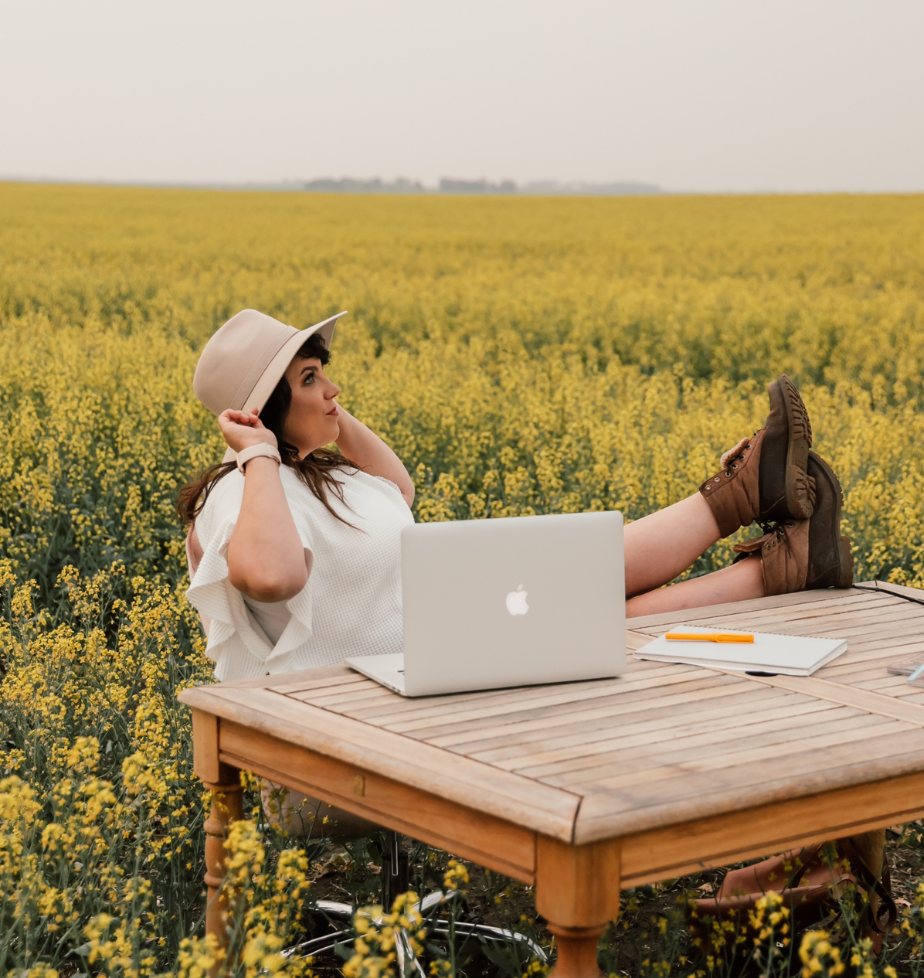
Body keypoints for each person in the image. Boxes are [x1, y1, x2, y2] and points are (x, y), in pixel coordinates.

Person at [179, 308, 853, 833]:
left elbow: (398, 491)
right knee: (575, 625)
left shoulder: (321, 476)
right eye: (310, 380)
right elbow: (272, 577)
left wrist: (318, 408)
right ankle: (766, 557)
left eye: (325, 373)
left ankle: (755, 523)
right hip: (335, 739)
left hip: (420, 681)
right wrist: (259, 451)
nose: (332, 390)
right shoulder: (238, 493)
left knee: (560, 575)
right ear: (260, 414)